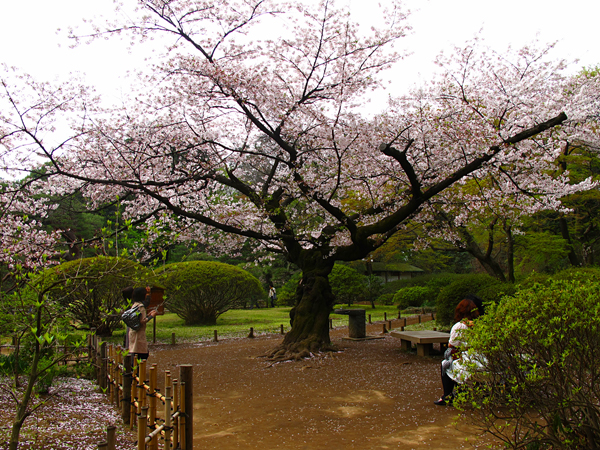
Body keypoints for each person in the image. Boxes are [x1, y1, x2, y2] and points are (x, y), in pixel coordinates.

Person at [434, 296, 483, 406]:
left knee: (445, 364)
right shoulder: (482, 325)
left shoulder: (459, 326)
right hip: (483, 361)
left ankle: (447, 396)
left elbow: (452, 344)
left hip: (469, 362)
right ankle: (461, 392)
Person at [128, 286, 157, 361]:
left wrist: (148, 315)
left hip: (133, 332)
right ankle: (138, 371)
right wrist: (151, 316)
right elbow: (142, 320)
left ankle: (135, 370)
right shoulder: (141, 307)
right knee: (142, 353)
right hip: (139, 333)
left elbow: (139, 318)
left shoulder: (134, 305)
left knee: (135, 351)